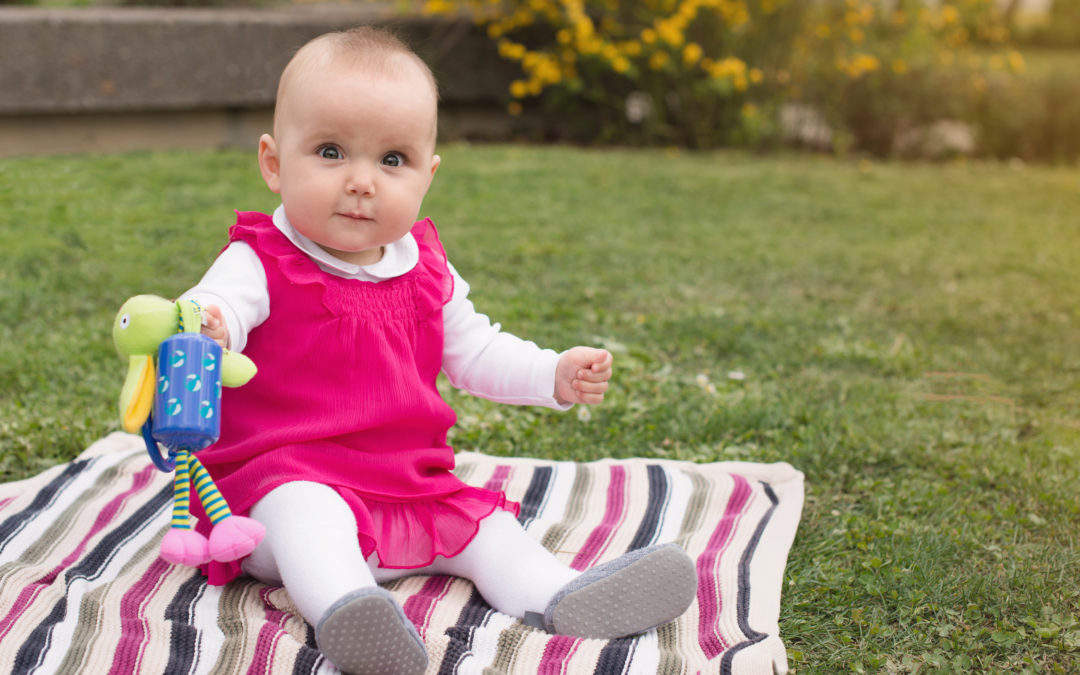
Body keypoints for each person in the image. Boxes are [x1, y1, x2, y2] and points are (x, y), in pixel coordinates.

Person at [180, 26, 696, 675]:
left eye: (391, 159)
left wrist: (551, 373)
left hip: (405, 483)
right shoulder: (260, 261)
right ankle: (349, 609)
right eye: (332, 151)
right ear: (274, 162)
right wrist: (210, 325)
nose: (362, 181)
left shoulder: (424, 270)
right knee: (309, 517)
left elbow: (477, 351)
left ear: (429, 174)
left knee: (486, 527)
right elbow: (217, 303)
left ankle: (559, 594)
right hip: (278, 481)